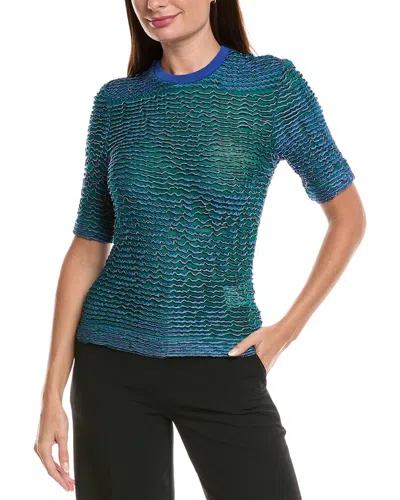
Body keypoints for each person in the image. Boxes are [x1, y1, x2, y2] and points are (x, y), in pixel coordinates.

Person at [34, 0, 366, 498]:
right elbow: (88, 244)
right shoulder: (117, 102)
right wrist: (51, 396)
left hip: (222, 358)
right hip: (110, 364)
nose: (153, 3)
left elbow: (349, 217)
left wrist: (286, 330)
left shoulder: (272, 87)